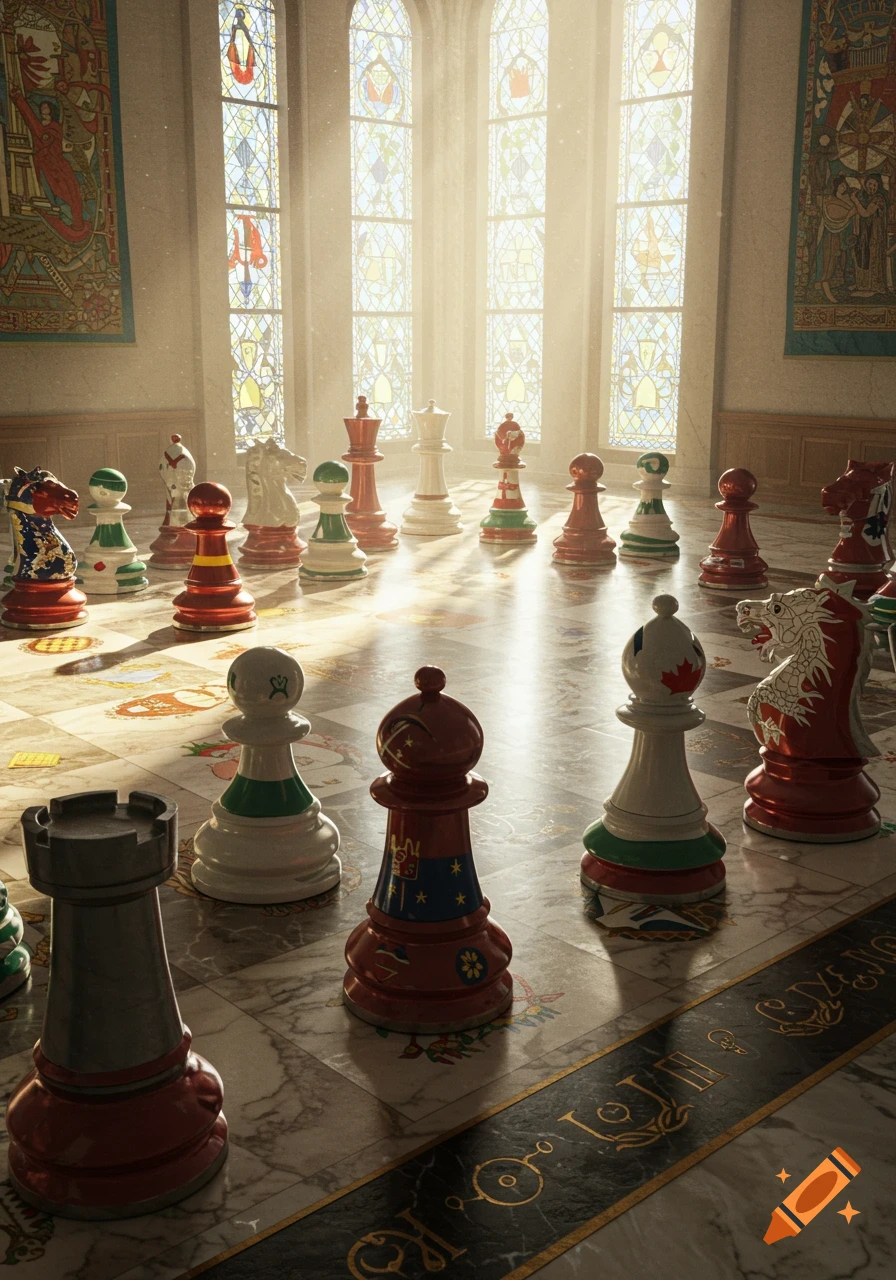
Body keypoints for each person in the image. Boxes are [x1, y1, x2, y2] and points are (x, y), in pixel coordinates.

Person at [851, 173, 888, 296]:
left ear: (878, 186)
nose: (872, 187)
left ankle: (874, 286)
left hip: (875, 235)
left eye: (874, 185)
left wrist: (855, 200)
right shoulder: (866, 197)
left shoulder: (878, 198)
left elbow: (866, 213)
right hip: (865, 233)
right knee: (862, 256)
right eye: (870, 184)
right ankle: (863, 285)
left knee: (873, 256)